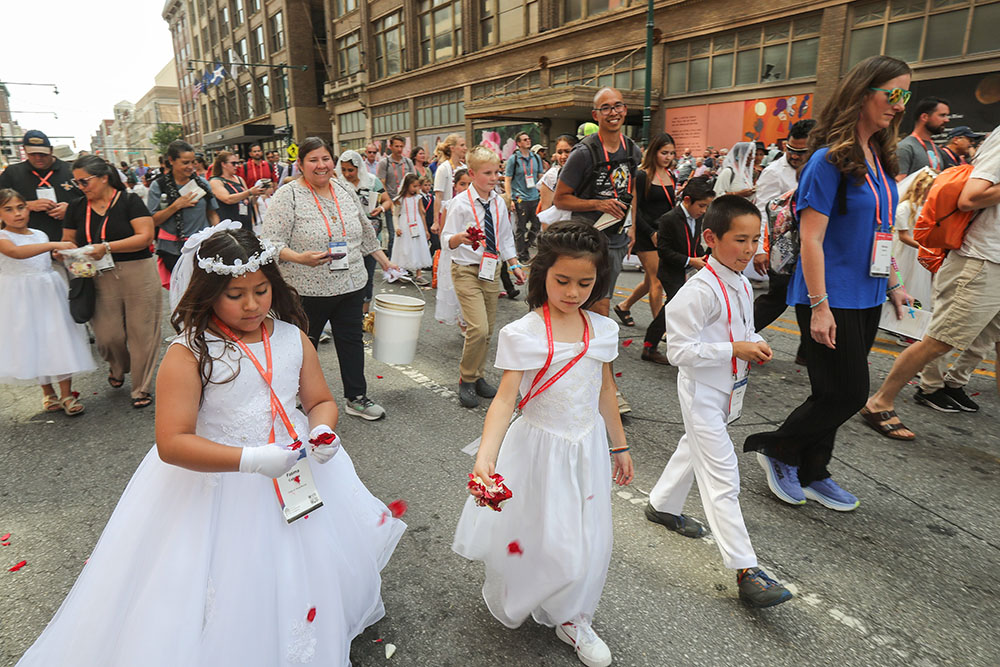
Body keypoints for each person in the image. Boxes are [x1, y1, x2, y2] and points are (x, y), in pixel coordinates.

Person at [14, 226, 405, 666]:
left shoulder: (291, 337)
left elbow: (319, 400)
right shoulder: (190, 353)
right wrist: (252, 459)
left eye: (261, 290)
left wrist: (323, 431)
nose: (253, 304)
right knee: (228, 578)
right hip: (221, 479)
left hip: (297, 468)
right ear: (208, 291)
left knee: (304, 559)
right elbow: (173, 442)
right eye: (235, 295)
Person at [454, 220, 633, 667]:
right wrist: (485, 458)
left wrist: (620, 446)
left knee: (586, 540)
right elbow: (504, 401)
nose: (573, 292)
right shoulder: (526, 334)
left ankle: (573, 616)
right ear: (543, 275)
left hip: (586, 448)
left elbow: (605, 390)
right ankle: (537, 588)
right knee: (544, 535)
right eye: (562, 281)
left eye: (585, 283)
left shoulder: (602, 330)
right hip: (539, 451)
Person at [744, 55, 913, 510]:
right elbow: (811, 237)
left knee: (831, 391)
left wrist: (894, 282)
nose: (900, 105)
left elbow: (881, 229)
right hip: (830, 293)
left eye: (906, 96)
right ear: (862, 94)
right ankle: (778, 448)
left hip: (868, 292)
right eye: (893, 94)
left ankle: (813, 468)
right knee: (851, 392)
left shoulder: (879, 157)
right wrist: (819, 305)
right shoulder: (826, 160)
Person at [645, 195, 791, 608]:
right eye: (740, 239)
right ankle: (747, 569)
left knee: (693, 448)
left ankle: (661, 504)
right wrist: (734, 349)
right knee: (723, 475)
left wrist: (755, 344)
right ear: (710, 238)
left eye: (755, 239)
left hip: (729, 390)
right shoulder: (698, 292)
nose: (749, 249)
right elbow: (678, 352)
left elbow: (744, 329)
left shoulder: (742, 281)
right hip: (703, 394)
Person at [863, 122, 1000, 438]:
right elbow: (971, 197)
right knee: (940, 339)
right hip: (981, 261)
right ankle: (879, 401)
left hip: (992, 261)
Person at [262, 137, 399, 421]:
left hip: (351, 283)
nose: (321, 165)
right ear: (300, 164)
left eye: (325, 159)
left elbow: (364, 230)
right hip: (307, 288)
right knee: (302, 347)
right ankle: (293, 399)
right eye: (313, 160)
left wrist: (385, 262)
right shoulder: (287, 196)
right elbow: (270, 243)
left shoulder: (343, 188)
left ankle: (356, 397)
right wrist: (300, 257)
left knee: (351, 340)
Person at [554, 87, 643, 414]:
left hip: (617, 239)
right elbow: (560, 199)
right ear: (596, 115)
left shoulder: (632, 149)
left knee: (592, 310)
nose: (613, 112)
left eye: (618, 105)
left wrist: (632, 225)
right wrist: (596, 203)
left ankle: (578, 371)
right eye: (605, 108)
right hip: (588, 240)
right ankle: (607, 388)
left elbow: (630, 190)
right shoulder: (583, 154)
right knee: (600, 309)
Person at [64, 155, 161, 409]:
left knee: (143, 332)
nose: (80, 187)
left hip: (137, 271)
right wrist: (67, 251)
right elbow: (68, 239)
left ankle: (141, 387)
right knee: (107, 336)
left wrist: (106, 247)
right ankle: (119, 366)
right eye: (77, 183)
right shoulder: (76, 207)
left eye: (84, 182)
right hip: (96, 273)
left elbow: (145, 236)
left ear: (104, 177)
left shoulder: (129, 200)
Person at [441, 146, 526, 408]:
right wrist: (459, 238)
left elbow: (504, 238)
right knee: (477, 328)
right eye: (487, 173)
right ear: (472, 173)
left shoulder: (499, 202)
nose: (494, 177)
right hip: (466, 270)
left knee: (488, 330)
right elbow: (446, 239)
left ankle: (478, 376)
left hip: (492, 270)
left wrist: (514, 265)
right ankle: (466, 379)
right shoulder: (460, 204)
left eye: (497, 172)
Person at [0, 189, 94, 416]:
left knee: (57, 337)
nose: (17, 214)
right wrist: (54, 245)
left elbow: (43, 256)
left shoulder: (40, 234)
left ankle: (66, 394)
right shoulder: (3, 237)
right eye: (8, 210)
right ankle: (47, 392)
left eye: (21, 207)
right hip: (19, 296)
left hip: (49, 292)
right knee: (33, 340)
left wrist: (60, 255)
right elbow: (16, 253)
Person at [750, 119, 816, 364]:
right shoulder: (774, 172)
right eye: (791, 149)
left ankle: (807, 353)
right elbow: (761, 211)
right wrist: (760, 249)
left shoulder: (820, 167)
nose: (795, 156)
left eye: (801, 151)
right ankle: (734, 335)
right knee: (777, 299)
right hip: (784, 247)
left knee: (809, 298)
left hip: (811, 244)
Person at [641, 177, 715, 364]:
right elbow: (664, 252)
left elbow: (695, 242)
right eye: (701, 205)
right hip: (672, 272)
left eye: (707, 206)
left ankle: (683, 344)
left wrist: (703, 259)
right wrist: (691, 260)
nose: (704, 210)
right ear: (688, 200)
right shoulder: (669, 219)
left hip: (690, 271)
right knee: (673, 309)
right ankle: (649, 346)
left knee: (682, 309)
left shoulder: (698, 219)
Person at [614, 132, 676, 329]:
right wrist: (650, 232)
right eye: (664, 153)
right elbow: (635, 209)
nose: (668, 157)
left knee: (651, 280)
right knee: (658, 281)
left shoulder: (671, 175)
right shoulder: (642, 175)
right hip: (645, 233)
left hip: (664, 233)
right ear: (654, 153)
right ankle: (659, 329)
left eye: (672, 153)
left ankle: (624, 306)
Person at [147, 140, 219, 278]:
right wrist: (176, 205)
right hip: (172, 250)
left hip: (202, 248)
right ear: (171, 161)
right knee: (182, 292)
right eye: (185, 163)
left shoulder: (202, 183)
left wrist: (218, 237)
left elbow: (212, 213)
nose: (191, 167)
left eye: (193, 162)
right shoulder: (159, 186)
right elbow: (152, 221)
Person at [334, 150, 393, 315]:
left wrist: (380, 208)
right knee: (342, 274)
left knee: (367, 275)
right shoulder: (336, 184)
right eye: (343, 169)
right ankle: (344, 313)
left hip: (371, 233)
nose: (347, 174)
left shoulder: (372, 181)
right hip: (345, 237)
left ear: (359, 168)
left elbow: (388, 200)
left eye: (350, 170)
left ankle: (364, 314)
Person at [0, 130, 83, 243]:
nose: (38, 158)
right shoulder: (12, 173)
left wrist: (71, 211)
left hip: (70, 240)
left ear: (51, 150)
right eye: (33, 154)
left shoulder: (71, 170)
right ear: (25, 150)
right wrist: (26, 205)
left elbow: (94, 201)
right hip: (27, 243)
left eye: (43, 154)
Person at [435, 167, 471, 327]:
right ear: (455, 186)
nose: (466, 188)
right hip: (453, 252)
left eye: (470, 184)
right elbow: (444, 234)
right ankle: (462, 321)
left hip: (470, 251)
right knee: (455, 289)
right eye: (463, 184)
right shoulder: (449, 205)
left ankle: (467, 319)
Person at [505, 131, 545, 263]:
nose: (528, 141)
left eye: (529, 138)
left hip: (534, 196)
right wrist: (510, 198)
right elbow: (508, 179)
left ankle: (525, 246)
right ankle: (522, 254)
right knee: (521, 227)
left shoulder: (535, 158)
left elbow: (540, 177)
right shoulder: (514, 159)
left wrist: (543, 193)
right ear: (518, 144)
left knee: (536, 224)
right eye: (524, 139)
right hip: (520, 198)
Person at [376, 135, 415, 256]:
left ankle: (406, 262)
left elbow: (413, 181)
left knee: (407, 234)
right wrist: (389, 201)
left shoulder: (408, 162)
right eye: (396, 146)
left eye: (401, 146)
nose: (399, 149)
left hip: (406, 203)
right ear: (390, 146)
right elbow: (382, 184)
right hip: (393, 202)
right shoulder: (385, 163)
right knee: (394, 234)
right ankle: (393, 262)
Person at [391, 173, 432, 285]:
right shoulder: (400, 199)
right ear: (407, 185)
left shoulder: (418, 198)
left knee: (418, 247)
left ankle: (419, 275)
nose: (416, 188)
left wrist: (425, 229)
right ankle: (401, 271)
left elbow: (422, 213)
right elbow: (395, 214)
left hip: (416, 225)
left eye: (417, 186)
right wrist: (396, 228)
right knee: (404, 248)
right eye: (414, 186)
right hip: (404, 225)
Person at [210, 151, 265, 232]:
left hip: (246, 223)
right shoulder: (215, 181)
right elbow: (228, 199)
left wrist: (255, 195)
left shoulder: (239, 179)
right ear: (223, 164)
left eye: (237, 163)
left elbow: (249, 201)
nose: (236, 166)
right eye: (233, 163)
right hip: (230, 224)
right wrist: (249, 192)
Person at [896, 96, 950, 178]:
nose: (947, 120)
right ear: (924, 117)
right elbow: (899, 184)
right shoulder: (905, 148)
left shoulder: (936, 149)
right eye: (942, 115)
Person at [431, 134, 468, 237]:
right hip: (447, 213)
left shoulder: (464, 167)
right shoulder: (443, 168)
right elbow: (438, 196)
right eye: (462, 145)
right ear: (452, 148)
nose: (465, 148)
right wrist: (436, 221)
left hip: (464, 211)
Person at [537, 134, 576, 228]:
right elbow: (545, 212)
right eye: (559, 152)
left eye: (567, 151)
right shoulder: (551, 176)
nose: (563, 156)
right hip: (558, 231)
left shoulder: (583, 172)